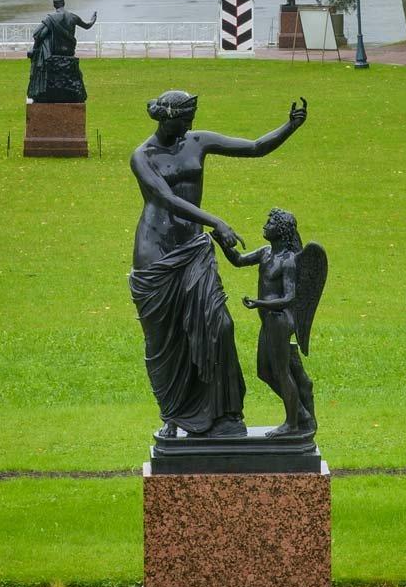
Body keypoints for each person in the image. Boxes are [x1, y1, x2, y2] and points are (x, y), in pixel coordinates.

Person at [127, 90, 306, 438]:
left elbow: (254, 147)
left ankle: (225, 415)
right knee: (167, 338)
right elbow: (165, 199)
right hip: (156, 253)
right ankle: (173, 416)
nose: (191, 125)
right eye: (185, 119)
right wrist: (216, 222)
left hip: (193, 248)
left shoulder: (197, 141)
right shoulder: (142, 157)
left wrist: (290, 126)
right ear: (167, 118)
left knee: (219, 326)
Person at [228, 208, 320, 438]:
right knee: (264, 371)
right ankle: (302, 415)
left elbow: (290, 298)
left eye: (270, 223)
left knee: (281, 372)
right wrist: (221, 241)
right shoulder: (266, 253)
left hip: (280, 320)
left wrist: (260, 303)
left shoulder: (288, 261)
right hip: (269, 321)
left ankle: (292, 424)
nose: (265, 225)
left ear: (281, 230)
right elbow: (239, 260)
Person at [27, 0, 96, 103]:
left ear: (54, 5)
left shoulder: (51, 18)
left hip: (54, 53)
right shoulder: (73, 17)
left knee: (42, 45)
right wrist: (93, 19)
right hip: (69, 52)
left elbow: (38, 35)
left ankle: (41, 90)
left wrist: (35, 49)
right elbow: (87, 25)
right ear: (64, 3)